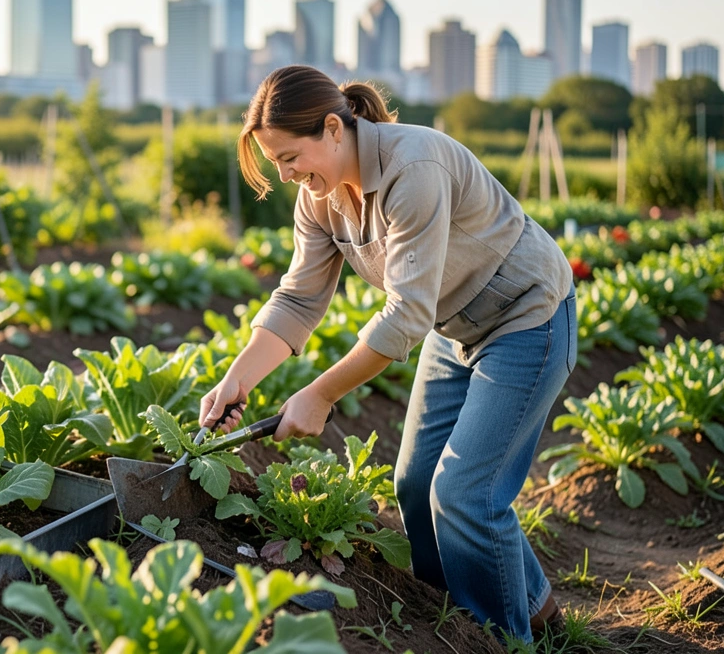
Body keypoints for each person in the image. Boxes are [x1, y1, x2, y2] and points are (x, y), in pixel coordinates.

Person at [198, 65, 577, 643]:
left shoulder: (413, 167)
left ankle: (500, 639)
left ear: (332, 128)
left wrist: (321, 394)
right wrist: (236, 379)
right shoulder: (318, 198)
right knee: (414, 481)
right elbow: (299, 298)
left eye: (289, 156)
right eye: (275, 163)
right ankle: (465, 620)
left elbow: (405, 314)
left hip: (526, 317)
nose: (286, 174)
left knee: (463, 492)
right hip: (454, 328)